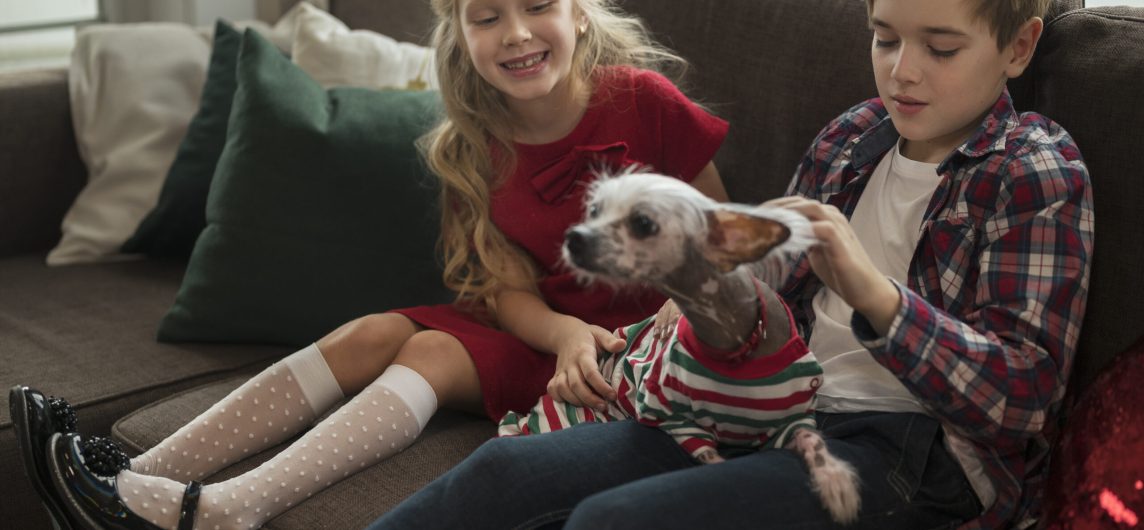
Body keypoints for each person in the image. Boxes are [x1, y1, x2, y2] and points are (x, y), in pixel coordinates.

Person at [368, 0, 1094, 528]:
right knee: (499, 473)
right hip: (772, 408)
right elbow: (760, 282)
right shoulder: (853, 137)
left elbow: (1025, 398)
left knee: (615, 520)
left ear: (1019, 46)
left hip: (913, 448)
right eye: (883, 38)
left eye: (940, 48)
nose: (902, 72)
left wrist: (877, 296)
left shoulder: (1033, 170)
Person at [20, 0, 729, 528]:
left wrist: (641, 329)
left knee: (430, 351)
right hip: (546, 327)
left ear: (577, 12)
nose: (515, 32)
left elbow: (722, 240)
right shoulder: (474, 143)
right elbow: (502, 288)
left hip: (634, 347)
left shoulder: (644, 100)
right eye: (486, 16)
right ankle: (128, 475)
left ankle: (231, 509)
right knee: (367, 334)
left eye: (538, 5)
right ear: (459, 29)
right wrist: (561, 333)